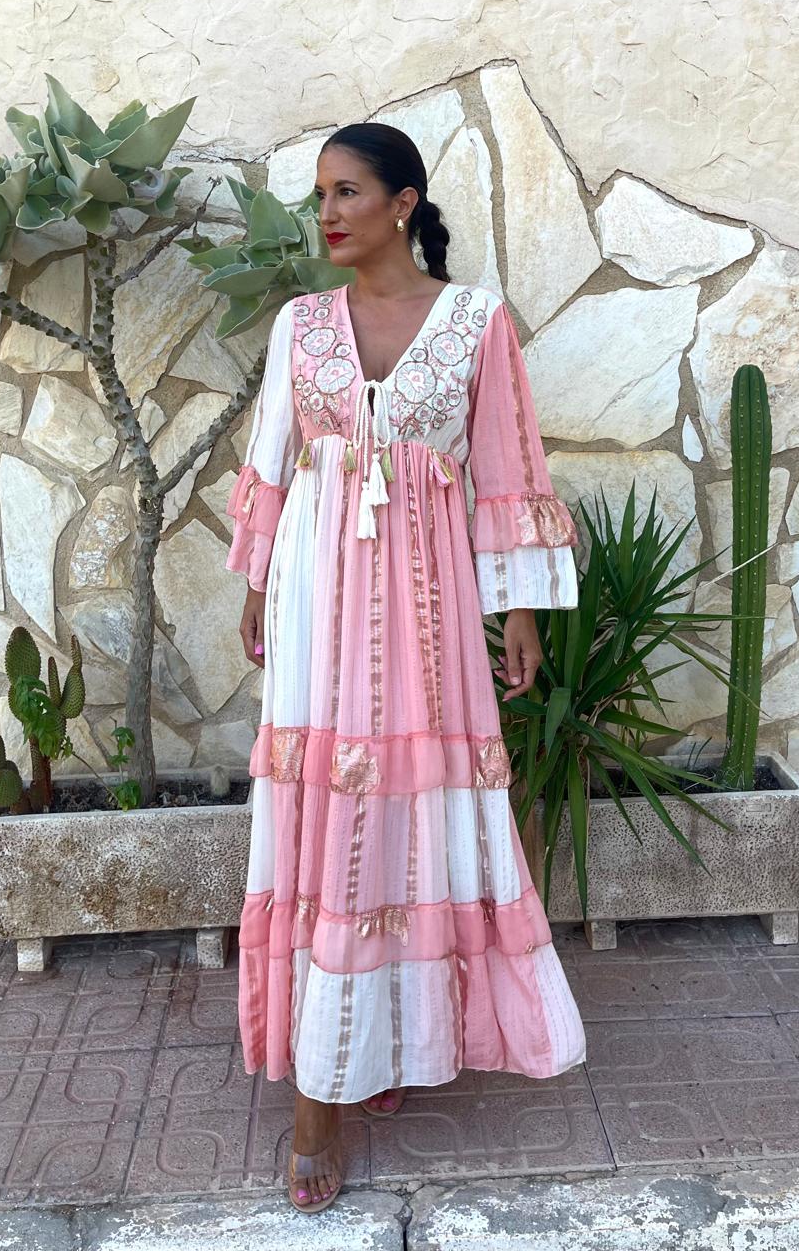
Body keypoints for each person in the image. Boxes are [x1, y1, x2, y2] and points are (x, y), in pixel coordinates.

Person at [224, 121, 586, 1215]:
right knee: (326, 814)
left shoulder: (475, 322)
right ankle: (317, 1098)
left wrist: (518, 610)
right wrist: (257, 581)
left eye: (347, 191)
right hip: (316, 600)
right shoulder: (301, 325)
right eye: (319, 195)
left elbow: (505, 466)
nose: (327, 213)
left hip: (428, 609)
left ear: (402, 202)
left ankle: (372, 1036)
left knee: (407, 816)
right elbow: (274, 456)